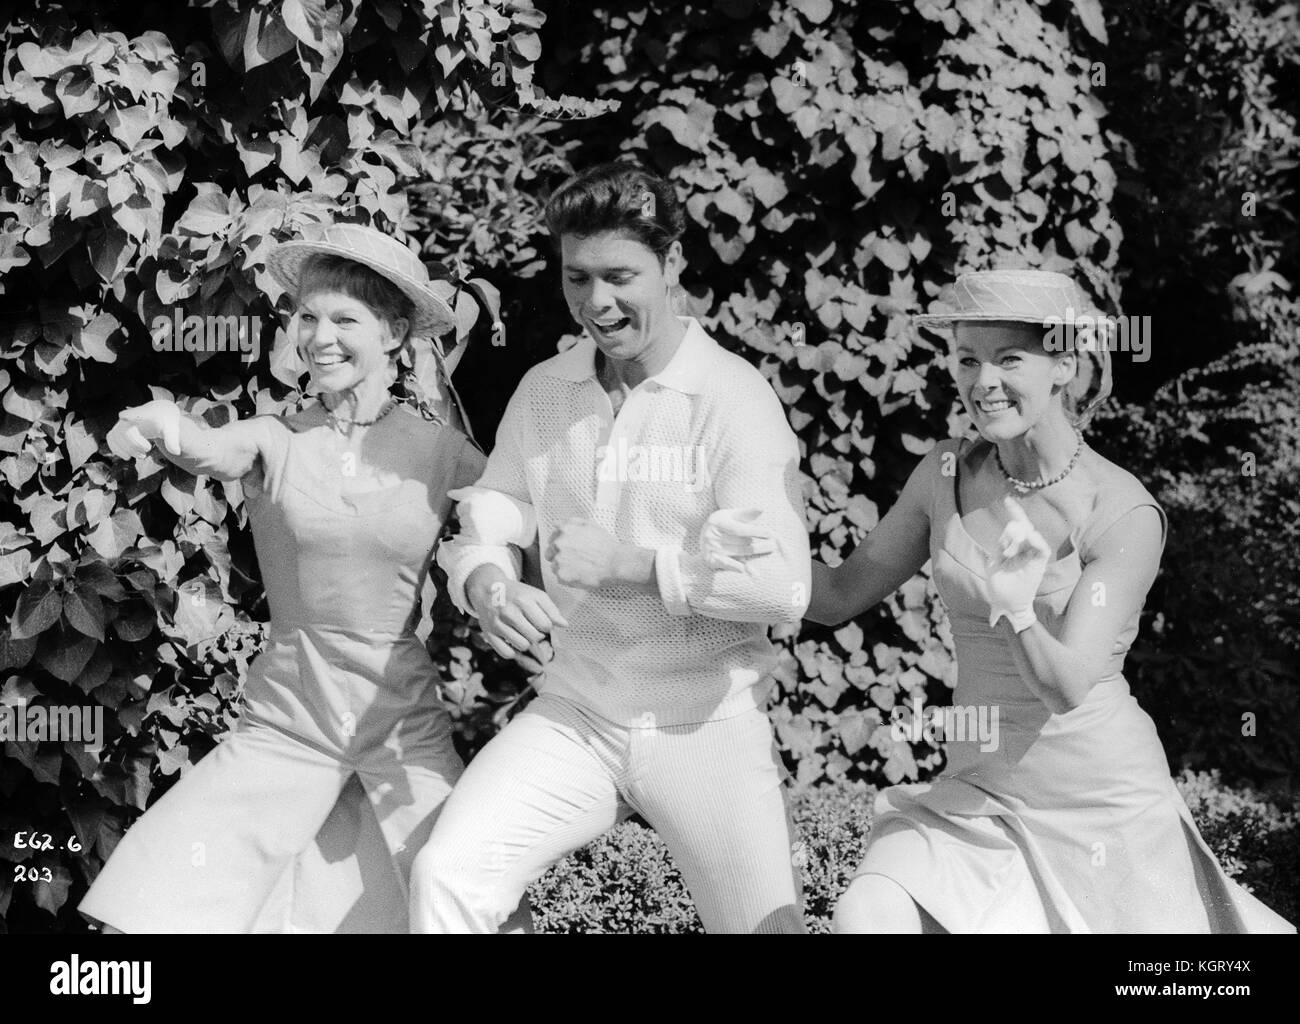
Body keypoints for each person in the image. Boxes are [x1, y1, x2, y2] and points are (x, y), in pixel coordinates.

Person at [794, 267, 1293, 933]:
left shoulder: (1120, 512)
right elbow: (834, 595)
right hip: (978, 795)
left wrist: (1018, 609)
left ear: (1064, 366)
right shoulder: (945, 472)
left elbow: (1067, 685)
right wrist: (724, 556)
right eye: (967, 359)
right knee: (867, 916)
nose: (983, 382)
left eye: (1009, 359)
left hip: (1100, 803)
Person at [80, 222, 525, 933]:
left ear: (396, 331)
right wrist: (164, 418)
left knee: (464, 897)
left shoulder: (447, 454)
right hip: (288, 717)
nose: (318, 336)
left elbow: (503, 533)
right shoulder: (272, 437)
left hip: (400, 719)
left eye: (344, 318)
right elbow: (205, 448)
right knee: (162, 894)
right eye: (307, 316)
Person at [411, 162, 812, 934]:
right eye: (577, 279)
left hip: (706, 723)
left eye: (620, 276)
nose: (597, 303)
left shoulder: (732, 399)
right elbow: (494, 508)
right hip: (579, 712)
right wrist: (488, 581)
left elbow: (785, 586)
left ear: (672, 265)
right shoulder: (546, 389)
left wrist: (632, 566)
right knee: (448, 874)